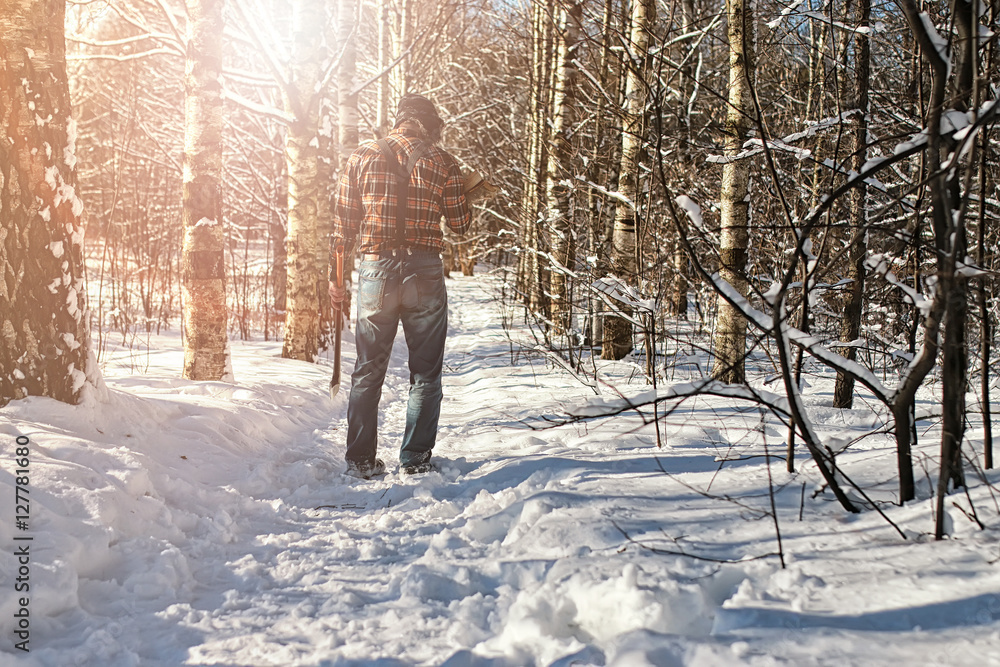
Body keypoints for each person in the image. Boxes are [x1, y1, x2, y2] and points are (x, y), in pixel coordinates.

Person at [330, 94, 472, 479]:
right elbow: (460, 225)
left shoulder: (361, 156)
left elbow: (343, 227)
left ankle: (360, 460)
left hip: (376, 269)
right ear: (429, 124)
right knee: (425, 372)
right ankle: (415, 460)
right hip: (424, 270)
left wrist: (336, 279)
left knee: (367, 370)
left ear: (399, 120)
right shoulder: (443, 161)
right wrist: (468, 194)